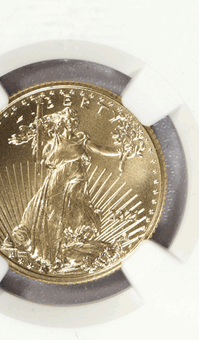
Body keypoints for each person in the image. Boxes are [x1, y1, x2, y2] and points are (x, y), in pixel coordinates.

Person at [7, 106, 120, 269]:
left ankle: (69, 248)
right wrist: (30, 135)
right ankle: (52, 255)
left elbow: (101, 149)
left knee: (75, 213)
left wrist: (121, 151)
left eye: (75, 120)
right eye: (70, 120)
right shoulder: (54, 140)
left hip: (76, 181)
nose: (73, 123)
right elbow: (41, 149)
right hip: (57, 180)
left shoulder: (81, 139)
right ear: (63, 121)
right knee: (52, 214)